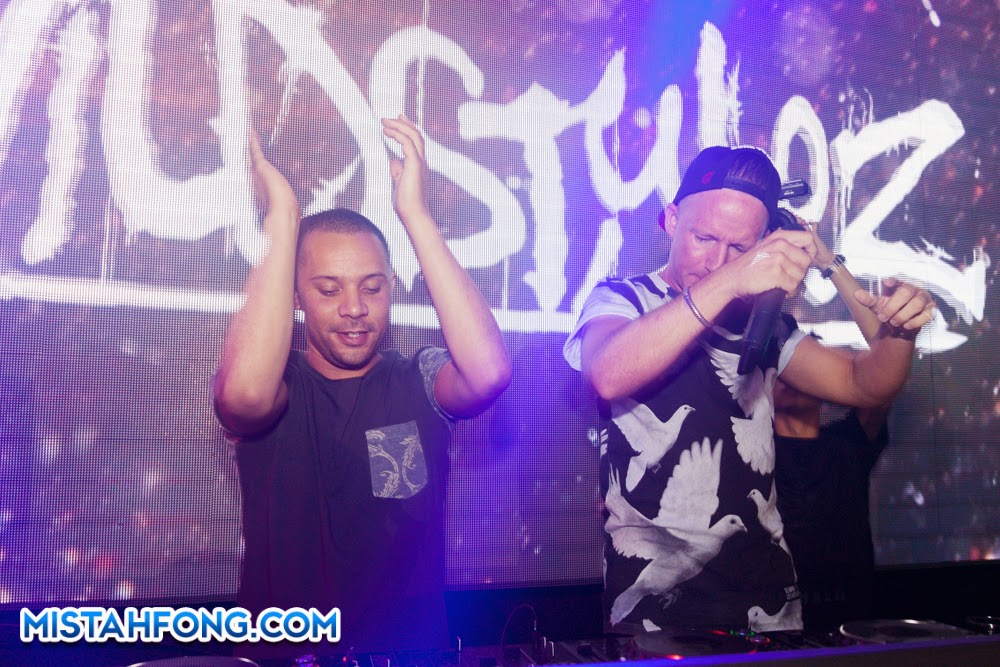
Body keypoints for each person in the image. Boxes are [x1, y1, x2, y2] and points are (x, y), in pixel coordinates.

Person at [563, 145, 934, 635]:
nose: (717, 261)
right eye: (704, 238)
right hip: (652, 607)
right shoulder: (622, 299)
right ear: (671, 220)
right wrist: (735, 276)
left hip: (767, 603)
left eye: (739, 249)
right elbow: (608, 373)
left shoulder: (765, 326)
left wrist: (893, 324)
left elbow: (866, 384)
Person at [213, 116, 511, 657]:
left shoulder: (416, 379)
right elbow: (245, 397)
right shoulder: (279, 385)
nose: (354, 308)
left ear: (391, 288)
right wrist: (283, 219)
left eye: (372, 288)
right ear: (295, 296)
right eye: (329, 290)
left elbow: (488, 373)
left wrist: (416, 215)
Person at [772, 238, 893, 631]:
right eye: (786, 367)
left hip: (854, 623)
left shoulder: (849, 444)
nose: (796, 376)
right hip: (776, 624)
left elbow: (886, 352)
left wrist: (830, 264)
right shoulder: (751, 454)